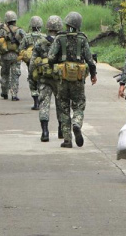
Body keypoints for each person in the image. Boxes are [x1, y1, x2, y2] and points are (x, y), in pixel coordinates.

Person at [48, 11, 97, 148]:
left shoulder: (59, 38)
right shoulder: (82, 39)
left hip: (62, 79)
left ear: (67, 22)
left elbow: (51, 57)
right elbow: (90, 61)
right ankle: (76, 123)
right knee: (79, 104)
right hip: (78, 79)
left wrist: (57, 65)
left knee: (63, 107)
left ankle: (67, 140)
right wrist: (93, 75)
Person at [28, 15, 64, 142]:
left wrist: (31, 79)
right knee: (61, 104)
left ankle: (45, 132)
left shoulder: (40, 42)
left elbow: (32, 63)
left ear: (48, 27)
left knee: (44, 104)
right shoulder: (63, 41)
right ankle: (61, 130)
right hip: (59, 79)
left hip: (44, 79)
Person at [0, 10, 26, 101]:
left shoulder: (2, 30)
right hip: (16, 56)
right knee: (15, 75)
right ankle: (14, 95)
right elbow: (26, 40)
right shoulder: (20, 30)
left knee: (5, 74)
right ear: (15, 20)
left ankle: (4, 93)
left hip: (5, 56)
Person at [19, 16, 45, 110]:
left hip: (31, 63)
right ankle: (42, 101)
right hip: (42, 63)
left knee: (32, 80)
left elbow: (20, 49)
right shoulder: (44, 37)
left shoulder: (27, 37)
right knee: (42, 80)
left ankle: (36, 102)